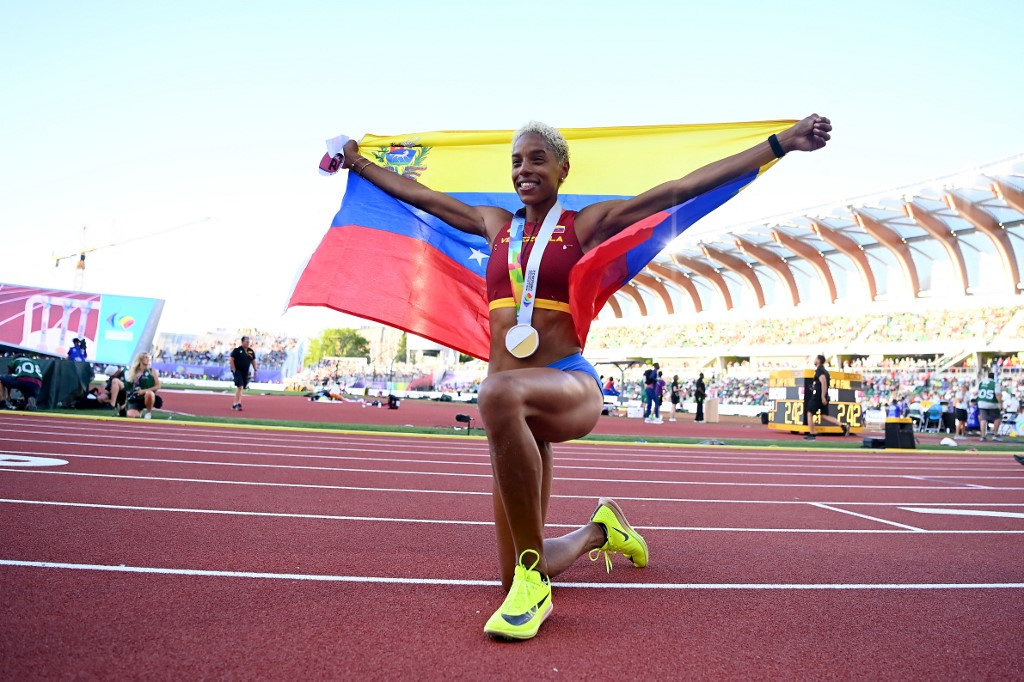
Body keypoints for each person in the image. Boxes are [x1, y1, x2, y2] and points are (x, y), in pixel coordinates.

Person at [339, 113, 831, 640]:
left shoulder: (584, 225)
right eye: (516, 161)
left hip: (567, 386)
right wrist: (357, 162)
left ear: (562, 169)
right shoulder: (494, 224)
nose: (523, 170)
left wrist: (780, 145)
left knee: (496, 393)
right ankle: (600, 531)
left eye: (536, 159)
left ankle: (535, 591)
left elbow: (679, 188)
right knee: (520, 562)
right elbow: (425, 199)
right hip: (514, 406)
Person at [805, 354, 850, 440]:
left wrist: (822, 396)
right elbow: (821, 383)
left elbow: (824, 383)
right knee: (824, 415)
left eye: (815, 359)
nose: (814, 360)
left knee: (809, 413)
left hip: (819, 396)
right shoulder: (824, 371)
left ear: (819, 361)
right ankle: (843, 426)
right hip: (823, 394)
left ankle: (812, 434)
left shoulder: (820, 370)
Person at [124, 352, 162, 419]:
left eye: (149, 358)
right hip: (136, 398)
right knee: (131, 415)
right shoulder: (133, 371)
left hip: (148, 396)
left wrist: (143, 391)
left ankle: (148, 413)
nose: (148, 359)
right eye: (146, 358)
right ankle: (138, 410)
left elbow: (158, 386)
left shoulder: (152, 371)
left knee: (149, 393)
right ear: (140, 359)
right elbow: (128, 388)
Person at [229, 336, 258, 411]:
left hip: (245, 372)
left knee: (241, 388)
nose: (248, 343)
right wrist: (234, 369)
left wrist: (255, 370)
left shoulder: (250, 351)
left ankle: (235, 404)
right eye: (246, 342)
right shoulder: (237, 350)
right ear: (242, 342)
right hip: (238, 371)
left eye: (249, 342)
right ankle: (238, 403)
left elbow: (253, 361)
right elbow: (231, 359)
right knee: (240, 386)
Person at [977, 371, 1003, 442]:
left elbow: (977, 393)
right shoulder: (995, 384)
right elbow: (997, 394)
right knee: (997, 417)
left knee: (983, 419)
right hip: (992, 403)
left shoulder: (981, 383)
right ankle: (995, 434)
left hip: (981, 402)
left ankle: (983, 436)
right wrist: (1001, 404)